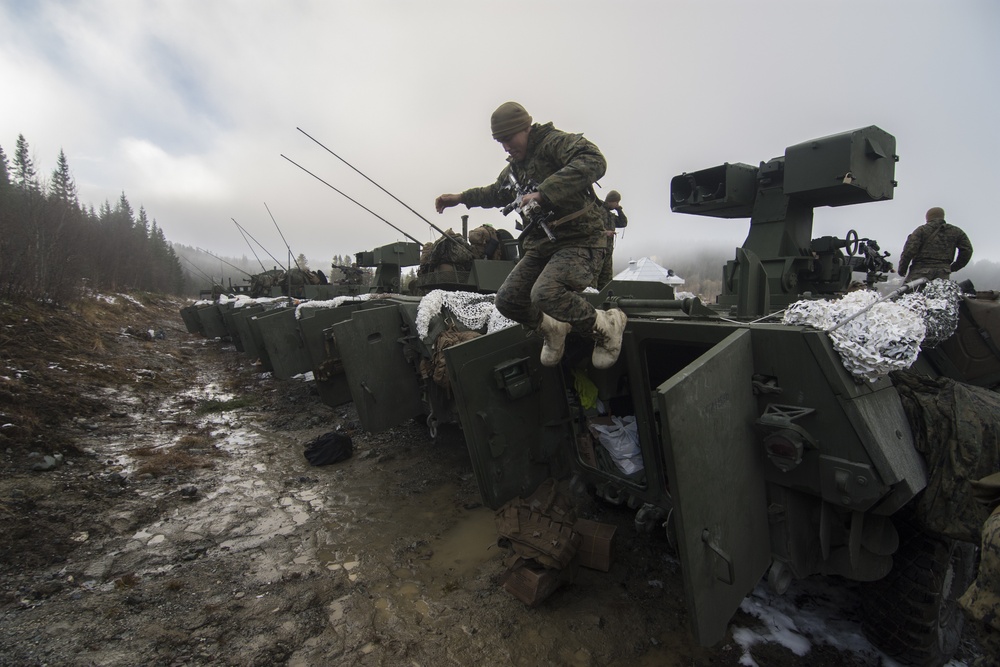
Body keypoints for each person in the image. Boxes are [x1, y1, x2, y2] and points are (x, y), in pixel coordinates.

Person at [435, 101, 626, 369]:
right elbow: (494, 192)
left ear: (525, 128)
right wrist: (460, 198)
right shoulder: (515, 169)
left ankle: (606, 326)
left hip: (580, 239)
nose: (506, 147)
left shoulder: (552, 144)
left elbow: (594, 161)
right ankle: (554, 329)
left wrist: (545, 192)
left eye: (509, 138)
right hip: (543, 245)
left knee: (544, 294)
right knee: (508, 300)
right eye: (500, 141)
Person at [897, 207, 973, 282]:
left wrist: (902, 269)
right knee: (938, 293)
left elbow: (909, 250)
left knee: (908, 293)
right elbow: (967, 250)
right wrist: (954, 267)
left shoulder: (921, 230)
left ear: (928, 217)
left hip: (920, 270)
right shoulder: (956, 232)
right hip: (943, 272)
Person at [591, 190, 628, 290]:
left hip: (607, 251)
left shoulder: (610, 215)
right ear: (611, 201)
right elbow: (592, 230)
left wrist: (619, 210)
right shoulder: (599, 211)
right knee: (594, 277)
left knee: (606, 279)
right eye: (616, 202)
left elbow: (623, 222)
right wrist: (605, 233)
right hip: (598, 251)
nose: (617, 204)